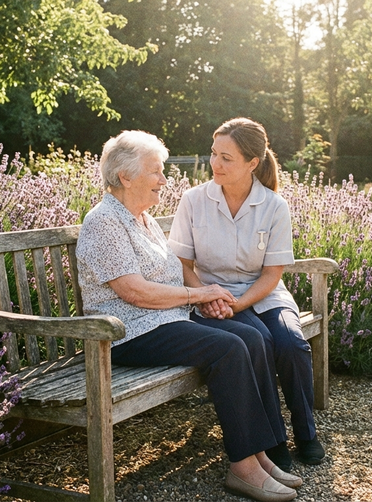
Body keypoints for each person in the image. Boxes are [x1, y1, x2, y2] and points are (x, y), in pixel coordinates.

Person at [75, 130, 302, 502]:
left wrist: (203, 300)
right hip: (126, 332)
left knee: (251, 338)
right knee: (228, 348)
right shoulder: (104, 221)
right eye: (156, 172)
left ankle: (261, 454)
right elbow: (135, 292)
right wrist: (199, 294)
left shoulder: (141, 219)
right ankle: (242, 469)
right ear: (125, 177)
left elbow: (171, 275)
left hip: (164, 320)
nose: (164, 180)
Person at [167, 118, 326, 471]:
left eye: (227, 158)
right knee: (258, 343)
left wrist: (237, 302)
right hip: (208, 297)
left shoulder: (273, 206)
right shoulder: (194, 200)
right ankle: (273, 442)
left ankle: (306, 433)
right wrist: (206, 296)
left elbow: (272, 274)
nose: (215, 164)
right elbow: (181, 263)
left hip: (263, 294)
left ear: (252, 163)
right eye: (213, 154)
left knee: (290, 343)